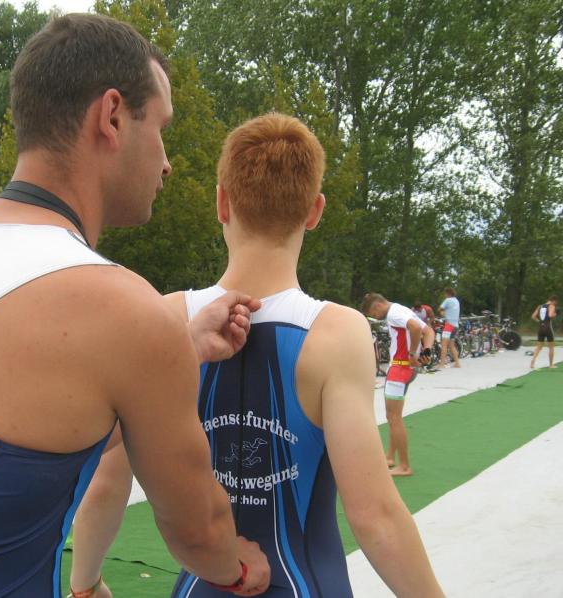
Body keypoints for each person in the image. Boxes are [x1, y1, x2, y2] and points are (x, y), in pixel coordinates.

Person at [0, 14, 270, 597]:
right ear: (112, 116)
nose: (167, 161)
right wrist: (240, 567)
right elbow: (198, 532)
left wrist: (184, 348)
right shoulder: (120, 305)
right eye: (161, 128)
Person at [70, 114, 443, 597]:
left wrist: (86, 584)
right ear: (315, 211)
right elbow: (375, 515)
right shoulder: (336, 333)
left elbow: (106, 482)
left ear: (221, 203)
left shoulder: (167, 317)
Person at [361, 293, 435, 477]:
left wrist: (412, 353)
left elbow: (415, 328)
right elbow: (429, 331)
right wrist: (426, 351)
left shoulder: (394, 314)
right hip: (407, 370)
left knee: (393, 418)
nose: (376, 317)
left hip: (400, 369)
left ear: (377, 305)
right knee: (394, 417)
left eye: (373, 314)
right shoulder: (402, 309)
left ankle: (404, 466)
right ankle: (390, 457)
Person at [530, 295, 557, 369]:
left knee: (539, 347)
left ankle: (533, 361)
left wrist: (539, 321)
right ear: (554, 301)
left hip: (541, 327)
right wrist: (554, 314)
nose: (555, 304)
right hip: (548, 328)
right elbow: (550, 315)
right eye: (555, 302)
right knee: (551, 347)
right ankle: (551, 365)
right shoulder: (552, 306)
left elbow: (533, 316)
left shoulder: (540, 306)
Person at [438, 287, 461, 368]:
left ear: (448, 293)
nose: (445, 295)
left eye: (445, 293)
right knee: (452, 345)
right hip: (455, 325)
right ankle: (457, 363)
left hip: (449, 325)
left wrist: (442, 313)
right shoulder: (456, 301)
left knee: (444, 344)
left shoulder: (447, 300)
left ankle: (442, 364)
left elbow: (440, 309)